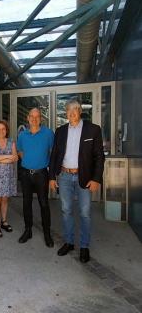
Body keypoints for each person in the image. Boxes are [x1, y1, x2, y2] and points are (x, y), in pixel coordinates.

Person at [49, 99, 104, 263]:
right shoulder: (60, 131)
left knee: (85, 213)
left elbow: (99, 157)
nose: (71, 113)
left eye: (75, 109)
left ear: (80, 111)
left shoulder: (93, 130)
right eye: (68, 110)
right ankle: (69, 242)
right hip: (64, 176)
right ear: (65, 113)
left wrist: (96, 179)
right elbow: (54, 155)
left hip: (85, 177)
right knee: (66, 210)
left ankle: (85, 246)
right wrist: (52, 176)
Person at [16, 108, 54, 248]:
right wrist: (25, 159)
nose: (34, 119)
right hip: (26, 174)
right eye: (32, 116)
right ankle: (28, 230)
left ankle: (47, 233)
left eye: (37, 116)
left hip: (41, 174)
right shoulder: (23, 135)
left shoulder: (48, 133)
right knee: (26, 203)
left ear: (41, 118)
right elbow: (19, 150)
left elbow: (53, 151)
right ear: (27, 118)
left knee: (44, 204)